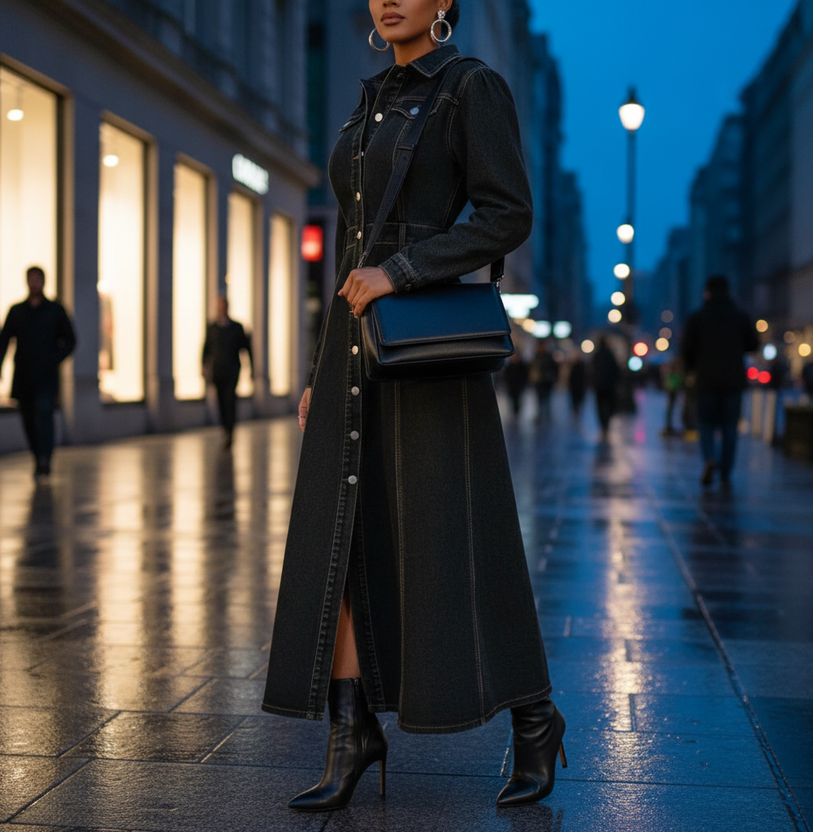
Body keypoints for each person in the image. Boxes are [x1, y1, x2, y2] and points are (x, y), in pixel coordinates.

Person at [262, 0, 565, 812]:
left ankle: (534, 718)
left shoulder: (473, 88)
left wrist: (404, 270)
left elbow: (507, 215)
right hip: (355, 348)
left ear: (446, 5)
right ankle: (352, 728)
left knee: (458, 538)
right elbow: (355, 245)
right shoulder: (369, 99)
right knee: (342, 541)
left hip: (426, 353)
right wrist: (327, 363)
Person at [682, 275, 759, 486]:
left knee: (705, 424)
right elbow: (753, 344)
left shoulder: (697, 318)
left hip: (706, 379)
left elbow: (687, 350)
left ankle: (709, 458)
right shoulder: (740, 317)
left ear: (707, 292)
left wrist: (691, 369)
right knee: (729, 428)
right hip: (733, 381)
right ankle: (726, 471)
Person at [0, 266, 76, 479]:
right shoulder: (16, 311)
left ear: (44, 281)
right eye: (31, 279)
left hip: (46, 375)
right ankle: (37, 456)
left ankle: (45, 460)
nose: (35, 283)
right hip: (24, 375)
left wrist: (54, 359)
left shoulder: (55, 310)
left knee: (44, 415)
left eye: (38, 279)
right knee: (28, 419)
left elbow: (70, 340)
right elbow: (4, 340)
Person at [201, 296, 253, 448]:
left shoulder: (237, 327)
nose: (220, 309)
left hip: (232, 370)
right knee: (221, 401)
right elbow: (206, 349)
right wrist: (203, 367)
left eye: (222, 306)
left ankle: (230, 431)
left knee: (230, 400)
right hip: (217, 371)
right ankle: (225, 429)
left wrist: (251, 367)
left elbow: (246, 348)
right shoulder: (212, 327)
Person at [592, 336, 619, 440]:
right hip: (609, 385)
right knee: (609, 404)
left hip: (599, 385)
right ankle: (606, 423)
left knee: (600, 405)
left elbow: (592, 370)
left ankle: (603, 424)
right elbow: (616, 370)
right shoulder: (610, 355)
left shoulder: (597, 355)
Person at [529, 340, 558, 422]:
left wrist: (552, 377)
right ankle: (541, 416)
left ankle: (547, 416)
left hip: (547, 382)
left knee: (547, 400)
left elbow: (554, 368)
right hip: (538, 382)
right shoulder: (536, 356)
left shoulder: (548, 357)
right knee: (539, 400)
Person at [661, 357, 684, 436]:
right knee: (671, 408)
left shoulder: (671, 373)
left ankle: (670, 426)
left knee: (672, 409)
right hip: (673, 391)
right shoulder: (674, 373)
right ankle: (669, 426)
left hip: (673, 390)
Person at [502, 350, 529, 418]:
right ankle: (514, 412)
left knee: (518, 400)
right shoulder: (509, 366)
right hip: (511, 386)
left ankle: (517, 412)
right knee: (512, 400)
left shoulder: (522, 365)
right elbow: (505, 376)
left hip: (519, 386)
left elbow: (525, 375)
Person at [567, 354, 587, 418]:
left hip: (577, 386)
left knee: (576, 399)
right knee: (577, 399)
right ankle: (576, 409)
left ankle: (576, 409)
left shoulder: (577, 366)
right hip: (577, 386)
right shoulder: (579, 366)